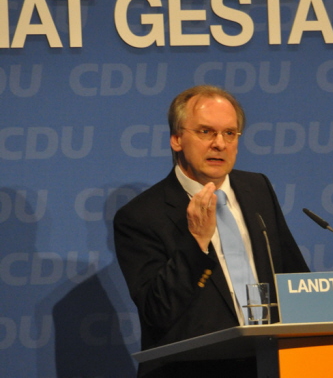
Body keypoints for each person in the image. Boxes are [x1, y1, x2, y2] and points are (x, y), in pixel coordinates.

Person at [113, 85, 309, 377]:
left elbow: (294, 277)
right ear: (177, 139)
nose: (219, 144)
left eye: (229, 133)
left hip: (271, 365)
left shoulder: (257, 189)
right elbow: (158, 311)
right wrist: (197, 243)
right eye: (206, 132)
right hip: (192, 370)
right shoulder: (140, 216)